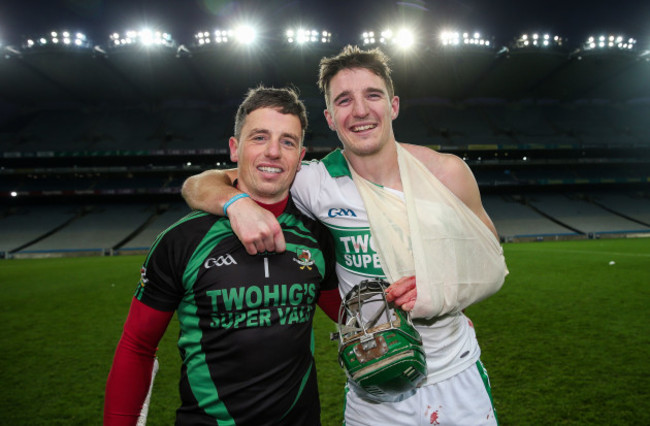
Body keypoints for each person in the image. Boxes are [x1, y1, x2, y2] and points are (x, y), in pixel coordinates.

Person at [182, 46, 509, 425]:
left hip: (454, 374)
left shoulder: (446, 175)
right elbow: (200, 184)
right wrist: (237, 204)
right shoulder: (314, 183)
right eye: (343, 101)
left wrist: (441, 288)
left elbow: (491, 264)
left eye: (373, 95)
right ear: (330, 118)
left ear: (394, 105)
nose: (360, 110)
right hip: (372, 386)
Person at [104, 86, 341, 426]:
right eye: (259, 137)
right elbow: (137, 346)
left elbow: (348, 316)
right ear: (234, 148)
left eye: (287, 141)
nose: (273, 151)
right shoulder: (181, 240)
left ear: (300, 156)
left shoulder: (317, 236)